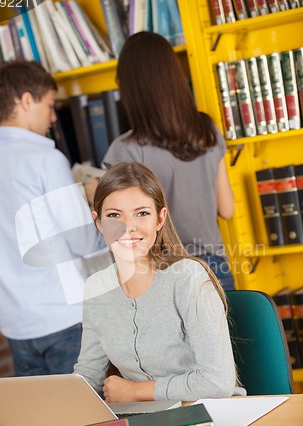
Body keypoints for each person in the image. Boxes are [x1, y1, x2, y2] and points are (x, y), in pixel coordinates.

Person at [0, 60, 101, 376]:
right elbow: (84, 241)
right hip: (64, 317)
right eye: (50, 105)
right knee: (86, 420)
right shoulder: (46, 159)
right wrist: (93, 200)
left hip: (16, 325)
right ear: (26, 101)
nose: (54, 117)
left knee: (42, 423)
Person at [74, 162, 245, 402]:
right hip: (148, 420)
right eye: (114, 215)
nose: (128, 227)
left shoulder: (187, 277)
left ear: (160, 218)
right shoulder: (97, 287)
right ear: (98, 222)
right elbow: (89, 374)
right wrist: (34, 417)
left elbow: (218, 382)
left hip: (212, 413)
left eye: (142, 213)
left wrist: (135, 392)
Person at [103, 31, 236, 290]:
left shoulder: (125, 150)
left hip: (163, 272)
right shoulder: (207, 130)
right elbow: (227, 208)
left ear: (130, 88)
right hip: (215, 271)